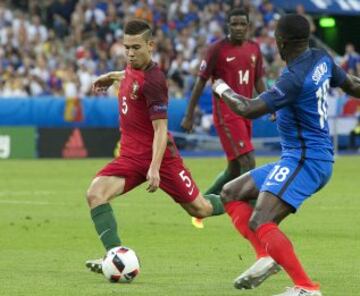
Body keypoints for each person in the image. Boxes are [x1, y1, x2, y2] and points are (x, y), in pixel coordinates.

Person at [211, 14, 360, 296]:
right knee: (231, 193)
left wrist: (221, 88)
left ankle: (307, 287)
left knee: (261, 220)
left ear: (281, 43)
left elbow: (247, 108)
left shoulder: (293, 79)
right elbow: (352, 85)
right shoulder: (321, 58)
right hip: (298, 157)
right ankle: (265, 257)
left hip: (307, 160)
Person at [85, 19, 224, 273]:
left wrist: (155, 168)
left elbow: (161, 130)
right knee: (95, 194)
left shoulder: (155, 81)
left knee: (200, 208)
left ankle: (240, 196)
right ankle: (115, 257)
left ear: (150, 45)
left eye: (136, 47)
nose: (129, 53)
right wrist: (110, 76)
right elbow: (128, 75)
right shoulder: (130, 68)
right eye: (126, 47)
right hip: (130, 157)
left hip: (160, 159)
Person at [181, 8, 266, 229]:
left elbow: (258, 81)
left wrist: (270, 105)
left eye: (242, 24)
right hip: (227, 114)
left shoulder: (254, 49)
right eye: (234, 24)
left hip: (247, 112)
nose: (238, 28)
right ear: (228, 26)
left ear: (248, 26)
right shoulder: (216, 50)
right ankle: (259, 215)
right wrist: (189, 114)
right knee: (249, 161)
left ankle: (200, 204)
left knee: (234, 169)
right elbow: (200, 82)